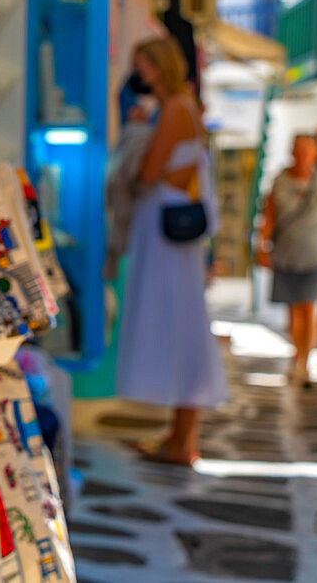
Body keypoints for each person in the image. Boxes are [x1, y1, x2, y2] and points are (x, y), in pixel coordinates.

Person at [116, 36, 227, 466]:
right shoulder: (185, 108)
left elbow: (147, 171)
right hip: (172, 237)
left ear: (159, 66)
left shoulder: (176, 109)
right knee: (185, 328)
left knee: (181, 328)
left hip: (165, 236)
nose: (138, 72)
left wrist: (138, 130)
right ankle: (180, 437)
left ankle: (182, 440)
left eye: (142, 64)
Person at [256, 134, 317, 388]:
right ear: (292, 152)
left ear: (315, 154)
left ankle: (305, 361)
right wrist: (261, 245)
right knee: (293, 312)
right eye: (299, 150)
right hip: (286, 254)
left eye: (308, 150)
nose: (303, 155)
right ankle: (298, 355)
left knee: (308, 307)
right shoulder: (280, 181)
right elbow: (269, 216)